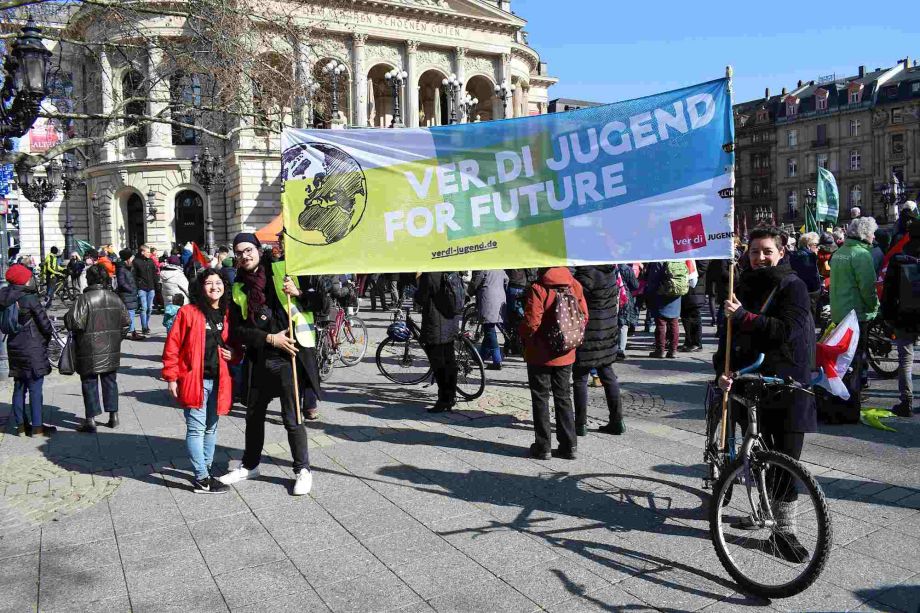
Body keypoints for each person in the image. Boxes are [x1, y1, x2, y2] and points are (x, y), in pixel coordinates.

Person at [716, 226, 816, 563]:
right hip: (751, 383)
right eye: (755, 252)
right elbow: (726, 338)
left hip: (786, 384)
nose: (760, 258)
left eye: (767, 251)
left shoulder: (793, 286)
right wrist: (722, 371)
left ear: (781, 252)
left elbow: (787, 332)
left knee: (786, 461)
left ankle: (784, 532)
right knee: (759, 456)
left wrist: (744, 316)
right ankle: (763, 512)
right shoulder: (740, 284)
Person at [219, 233, 327, 495]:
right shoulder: (238, 287)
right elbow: (240, 330)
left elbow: (322, 303)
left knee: (292, 417)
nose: (244, 255)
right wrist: (269, 338)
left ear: (258, 249)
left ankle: (303, 469)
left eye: (248, 250)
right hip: (260, 358)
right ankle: (250, 465)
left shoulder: (284, 270)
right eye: (239, 252)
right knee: (253, 416)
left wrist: (298, 292)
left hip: (288, 357)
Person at [162, 269, 235, 494]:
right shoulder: (188, 312)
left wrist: (233, 354)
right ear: (200, 287)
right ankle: (202, 478)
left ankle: (206, 470)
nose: (215, 287)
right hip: (195, 380)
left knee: (212, 427)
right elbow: (173, 345)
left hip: (219, 380)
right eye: (209, 283)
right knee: (196, 429)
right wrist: (171, 377)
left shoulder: (226, 313)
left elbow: (233, 344)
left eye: (219, 282)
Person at [519, 267, 587, 460]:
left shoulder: (538, 288)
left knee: (540, 398)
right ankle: (569, 445)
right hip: (566, 352)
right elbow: (584, 316)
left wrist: (522, 333)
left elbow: (532, 323)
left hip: (540, 354)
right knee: (564, 397)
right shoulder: (574, 284)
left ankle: (543, 447)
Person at [65, 264, 130, 433]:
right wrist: (116, 339)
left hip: (88, 348)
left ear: (90, 279)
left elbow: (74, 323)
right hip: (110, 348)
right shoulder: (116, 298)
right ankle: (113, 416)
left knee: (89, 382)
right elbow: (126, 324)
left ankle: (91, 419)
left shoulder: (84, 299)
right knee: (110, 381)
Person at [830, 217, 881, 410]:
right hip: (857, 313)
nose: (874, 236)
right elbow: (867, 288)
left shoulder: (840, 252)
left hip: (839, 311)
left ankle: (843, 392)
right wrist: (874, 307)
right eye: (872, 233)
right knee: (857, 356)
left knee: (844, 357)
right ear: (865, 234)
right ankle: (853, 394)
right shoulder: (861, 255)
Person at [0, 264, 55, 436]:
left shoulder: (4, 297)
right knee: (35, 386)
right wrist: (47, 336)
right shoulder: (29, 298)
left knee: (19, 385)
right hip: (32, 346)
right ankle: (37, 426)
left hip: (14, 345)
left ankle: (21, 426)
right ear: (23, 280)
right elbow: (44, 324)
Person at [572, 266, 624, 437]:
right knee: (608, 375)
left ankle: (580, 424)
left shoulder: (584, 275)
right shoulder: (610, 273)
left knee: (580, 378)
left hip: (588, 333)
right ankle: (617, 421)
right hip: (607, 331)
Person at [881, 217, 920, 417]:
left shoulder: (899, 259)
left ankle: (906, 402)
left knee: (905, 360)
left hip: (905, 315)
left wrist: (887, 317)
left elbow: (888, 293)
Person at [415, 271, 462, 412]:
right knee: (449, 361)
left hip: (435, 325)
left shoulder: (429, 274)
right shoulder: (452, 271)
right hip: (451, 322)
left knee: (438, 364)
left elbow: (421, 298)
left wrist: (418, 283)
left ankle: (444, 400)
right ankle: (451, 396)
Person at [644, 261, 687, 358]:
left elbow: (653, 281)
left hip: (661, 294)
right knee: (674, 323)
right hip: (676, 294)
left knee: (661, 323)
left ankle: (660, 350)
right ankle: (673, 350)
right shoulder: (679, 259)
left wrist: (649, 294)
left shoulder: (659, 261)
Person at [467, 269, 508, 370]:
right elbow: (506, 280)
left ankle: (497, 361)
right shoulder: (499, 266)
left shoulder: (483, 267)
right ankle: (481, 357)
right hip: (500, 298)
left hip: (488, 299)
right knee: (488, 328)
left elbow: (474, 284)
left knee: (489, 330)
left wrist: (468, 292)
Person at [679, 259, 708, 352]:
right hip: (688, 289)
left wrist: (689, 273)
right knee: (685, 317)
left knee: (694, 317)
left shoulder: (701, 254)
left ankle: (696, 343)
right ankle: (688, 341)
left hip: (695, 289)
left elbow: (703, 267)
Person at [115, 249, 142, 341]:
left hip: (131, 293)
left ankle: (131, 331)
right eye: (131, 257)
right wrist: (131, 289)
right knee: (130, 313)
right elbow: (121, 282)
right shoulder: (121, 268)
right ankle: (131, 332)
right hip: (127, 294)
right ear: (127, 258)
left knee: (131, 312)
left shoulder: (128, 267)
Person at [615, 263, 639, 361]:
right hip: (624, 297)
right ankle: (620, 350)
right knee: (623, 324)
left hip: (610, 297)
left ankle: (610, 349)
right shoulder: (626, 268)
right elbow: (635, 285)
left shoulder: (606, 266)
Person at [134, 244, 158, 336]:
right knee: (144, 308)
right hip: (142, 288)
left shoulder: (151, 261)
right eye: (147, 252)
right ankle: (144, 327)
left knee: (150, 309)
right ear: (142, 252)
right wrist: (138, 284)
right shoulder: (136, 262)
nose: (149, 254)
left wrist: (156, 285)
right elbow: (134, 275)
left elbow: (154, 274)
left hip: (151, 288)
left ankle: (146, 324)